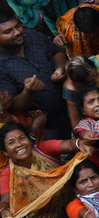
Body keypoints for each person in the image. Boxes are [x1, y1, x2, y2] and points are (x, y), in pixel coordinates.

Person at [0, 122, 93, 218]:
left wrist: (81, 144)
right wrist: (4, 211)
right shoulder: (8, 174)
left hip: (77, 211)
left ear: (29, 139)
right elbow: (5, 199)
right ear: (5, 152)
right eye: (11, 142)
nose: (19, 144)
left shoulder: (42, 150)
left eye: (21, 138)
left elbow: (69, 144)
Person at [0, 8, 71, 139]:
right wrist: (29, 92)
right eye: (8, 31)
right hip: (48, 126)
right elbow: (13, 107)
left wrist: (60, 69)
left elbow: (56, 52)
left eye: (17, 26)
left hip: (72, 106)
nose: (17, 32)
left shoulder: (32, 36)